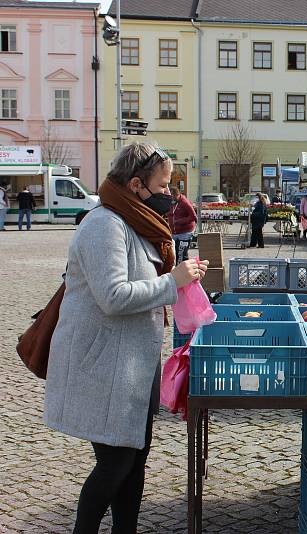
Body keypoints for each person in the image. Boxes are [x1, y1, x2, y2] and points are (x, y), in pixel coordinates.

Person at [43, 142, 208, 534]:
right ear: (136, 185)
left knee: (134, 462)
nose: (170, 193)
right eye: (164, 184)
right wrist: (173, 282)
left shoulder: (134, 220)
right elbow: (113, 296)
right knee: (115, 464)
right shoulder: (104, 224)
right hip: (104, 368)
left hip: (131, 368)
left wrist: (177, 281)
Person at [168, 186, 196, 263]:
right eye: (171, 197)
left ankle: (184, 272)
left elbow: (193, 217)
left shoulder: (184, 202)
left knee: (181, 254)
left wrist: (181, 221)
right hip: (174, 232)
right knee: (174, 253)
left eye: (174, 197)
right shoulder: (171, 202)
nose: (172, 199)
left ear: (178, 195)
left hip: (185, 232)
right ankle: (178, 271)